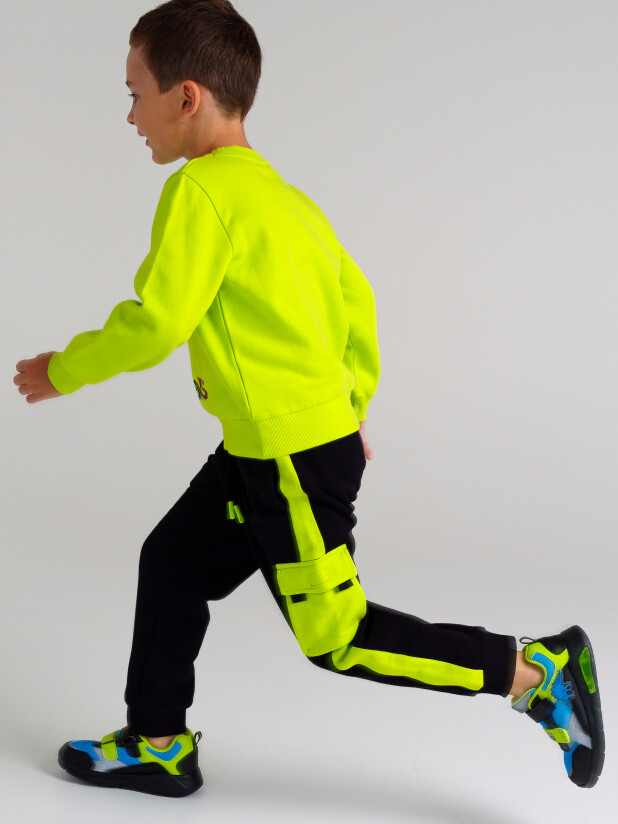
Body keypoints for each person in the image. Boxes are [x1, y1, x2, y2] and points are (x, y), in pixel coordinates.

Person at [13, 0, 604, 799]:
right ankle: (158, 743)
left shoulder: (201, 191)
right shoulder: (289, 201)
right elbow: (355, 307)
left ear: (185, 97)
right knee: (174, 561)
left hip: (286, 457)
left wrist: (64, 369)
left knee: (338, 637)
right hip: (270, 448)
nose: (129, 116)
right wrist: (350, 408)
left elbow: (157, 323)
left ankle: (534, 671)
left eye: (134, 93)